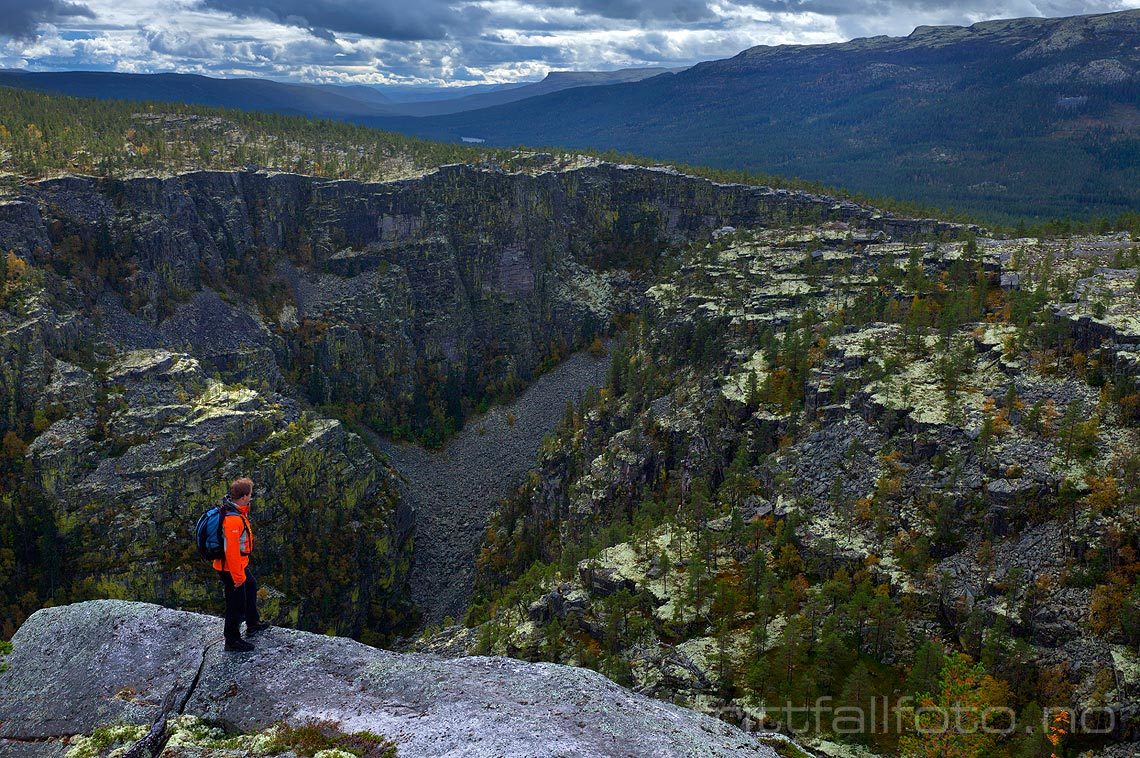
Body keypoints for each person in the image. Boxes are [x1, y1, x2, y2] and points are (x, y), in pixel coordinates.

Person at [214, 477, 270, 652]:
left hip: (238, 564)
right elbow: (231, 551)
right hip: (230, 568)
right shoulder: (233, 520)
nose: (251, 497)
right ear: (244, 496)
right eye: (250, 494)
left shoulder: (234, 510)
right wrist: (238, 578)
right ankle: (232, 640)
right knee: (235, 604)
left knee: (251, 585)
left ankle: (252, 623)